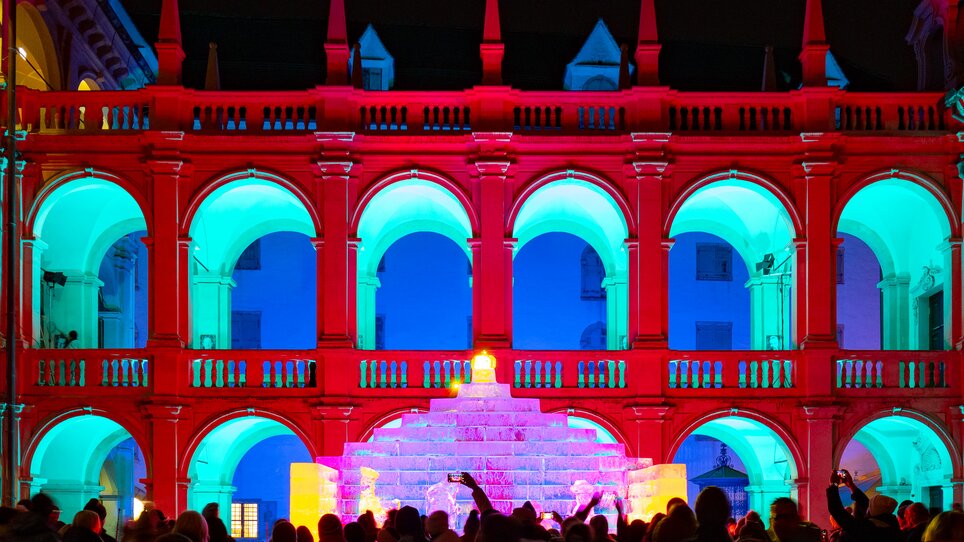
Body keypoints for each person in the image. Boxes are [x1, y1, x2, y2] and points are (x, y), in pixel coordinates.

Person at [827, 470, 898, 542]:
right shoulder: (892, 527)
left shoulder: (867, 530)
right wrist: (851, 485)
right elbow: (864, 503)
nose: (867, 509)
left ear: (873, 511)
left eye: (870, 507)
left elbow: (836, 510)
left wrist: (833, 485)